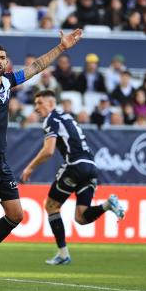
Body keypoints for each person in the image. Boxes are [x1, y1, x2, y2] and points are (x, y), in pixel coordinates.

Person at [0, 8, 83, 288]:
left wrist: (61, 48)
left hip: (0, 158)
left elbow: (37, 66)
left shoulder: (8, 83)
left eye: (3, 58)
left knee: (16, 215)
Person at [21, 90, 125, 265]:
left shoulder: (51, 119)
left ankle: (63, 254)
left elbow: (48, 150)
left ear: (51, 103)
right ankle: (108, 205)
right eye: (35, 104)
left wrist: (29, 168)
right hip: (91, 167)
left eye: (40, 103)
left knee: (51, 206)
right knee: (81, 217)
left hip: (75, 166)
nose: (36, 108)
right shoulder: (67, 117)